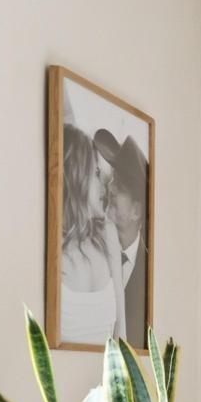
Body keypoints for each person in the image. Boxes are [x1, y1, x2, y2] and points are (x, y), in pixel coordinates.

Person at [56, 125, 120, 347]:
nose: (103, 181)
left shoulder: (107, 236)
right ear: (78, 177)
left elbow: (122, 339)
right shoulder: (53, 252)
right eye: (95, 172)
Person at [96, 130, 148, 341]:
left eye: (120, 186)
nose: (110, 188)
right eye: (112, 180)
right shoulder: (93, 250)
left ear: (136, 211)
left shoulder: (150, 272)